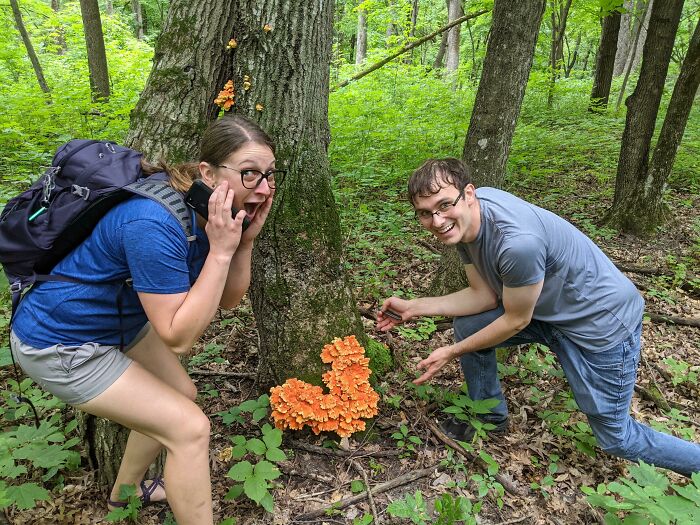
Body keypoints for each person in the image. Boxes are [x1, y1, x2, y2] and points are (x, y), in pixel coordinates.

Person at [9, 115, 284, 523]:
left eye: (270, 175)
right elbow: (177, 337)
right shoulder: (152, 222)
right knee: (190, 430)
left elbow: (227, 301)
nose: (263, 188)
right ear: (207, 172)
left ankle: (124, 495)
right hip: (60, 342)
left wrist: (242, 244)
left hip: (114, 322)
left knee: (182, 396)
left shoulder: (213, 211)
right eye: (249, 174)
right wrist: (221, 252)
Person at [377, 157, 700, 477]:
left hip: (600, 324)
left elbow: (516, 320)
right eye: (425, 213)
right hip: (550, 312)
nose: (436, 220)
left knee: (618, 438)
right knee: (471, 326)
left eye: (444, 205)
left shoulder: (517, 245)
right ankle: (489, 416)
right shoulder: (464, 226)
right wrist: (416, 306)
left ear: (469, 193)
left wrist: (451, 352)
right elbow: (484, 295)